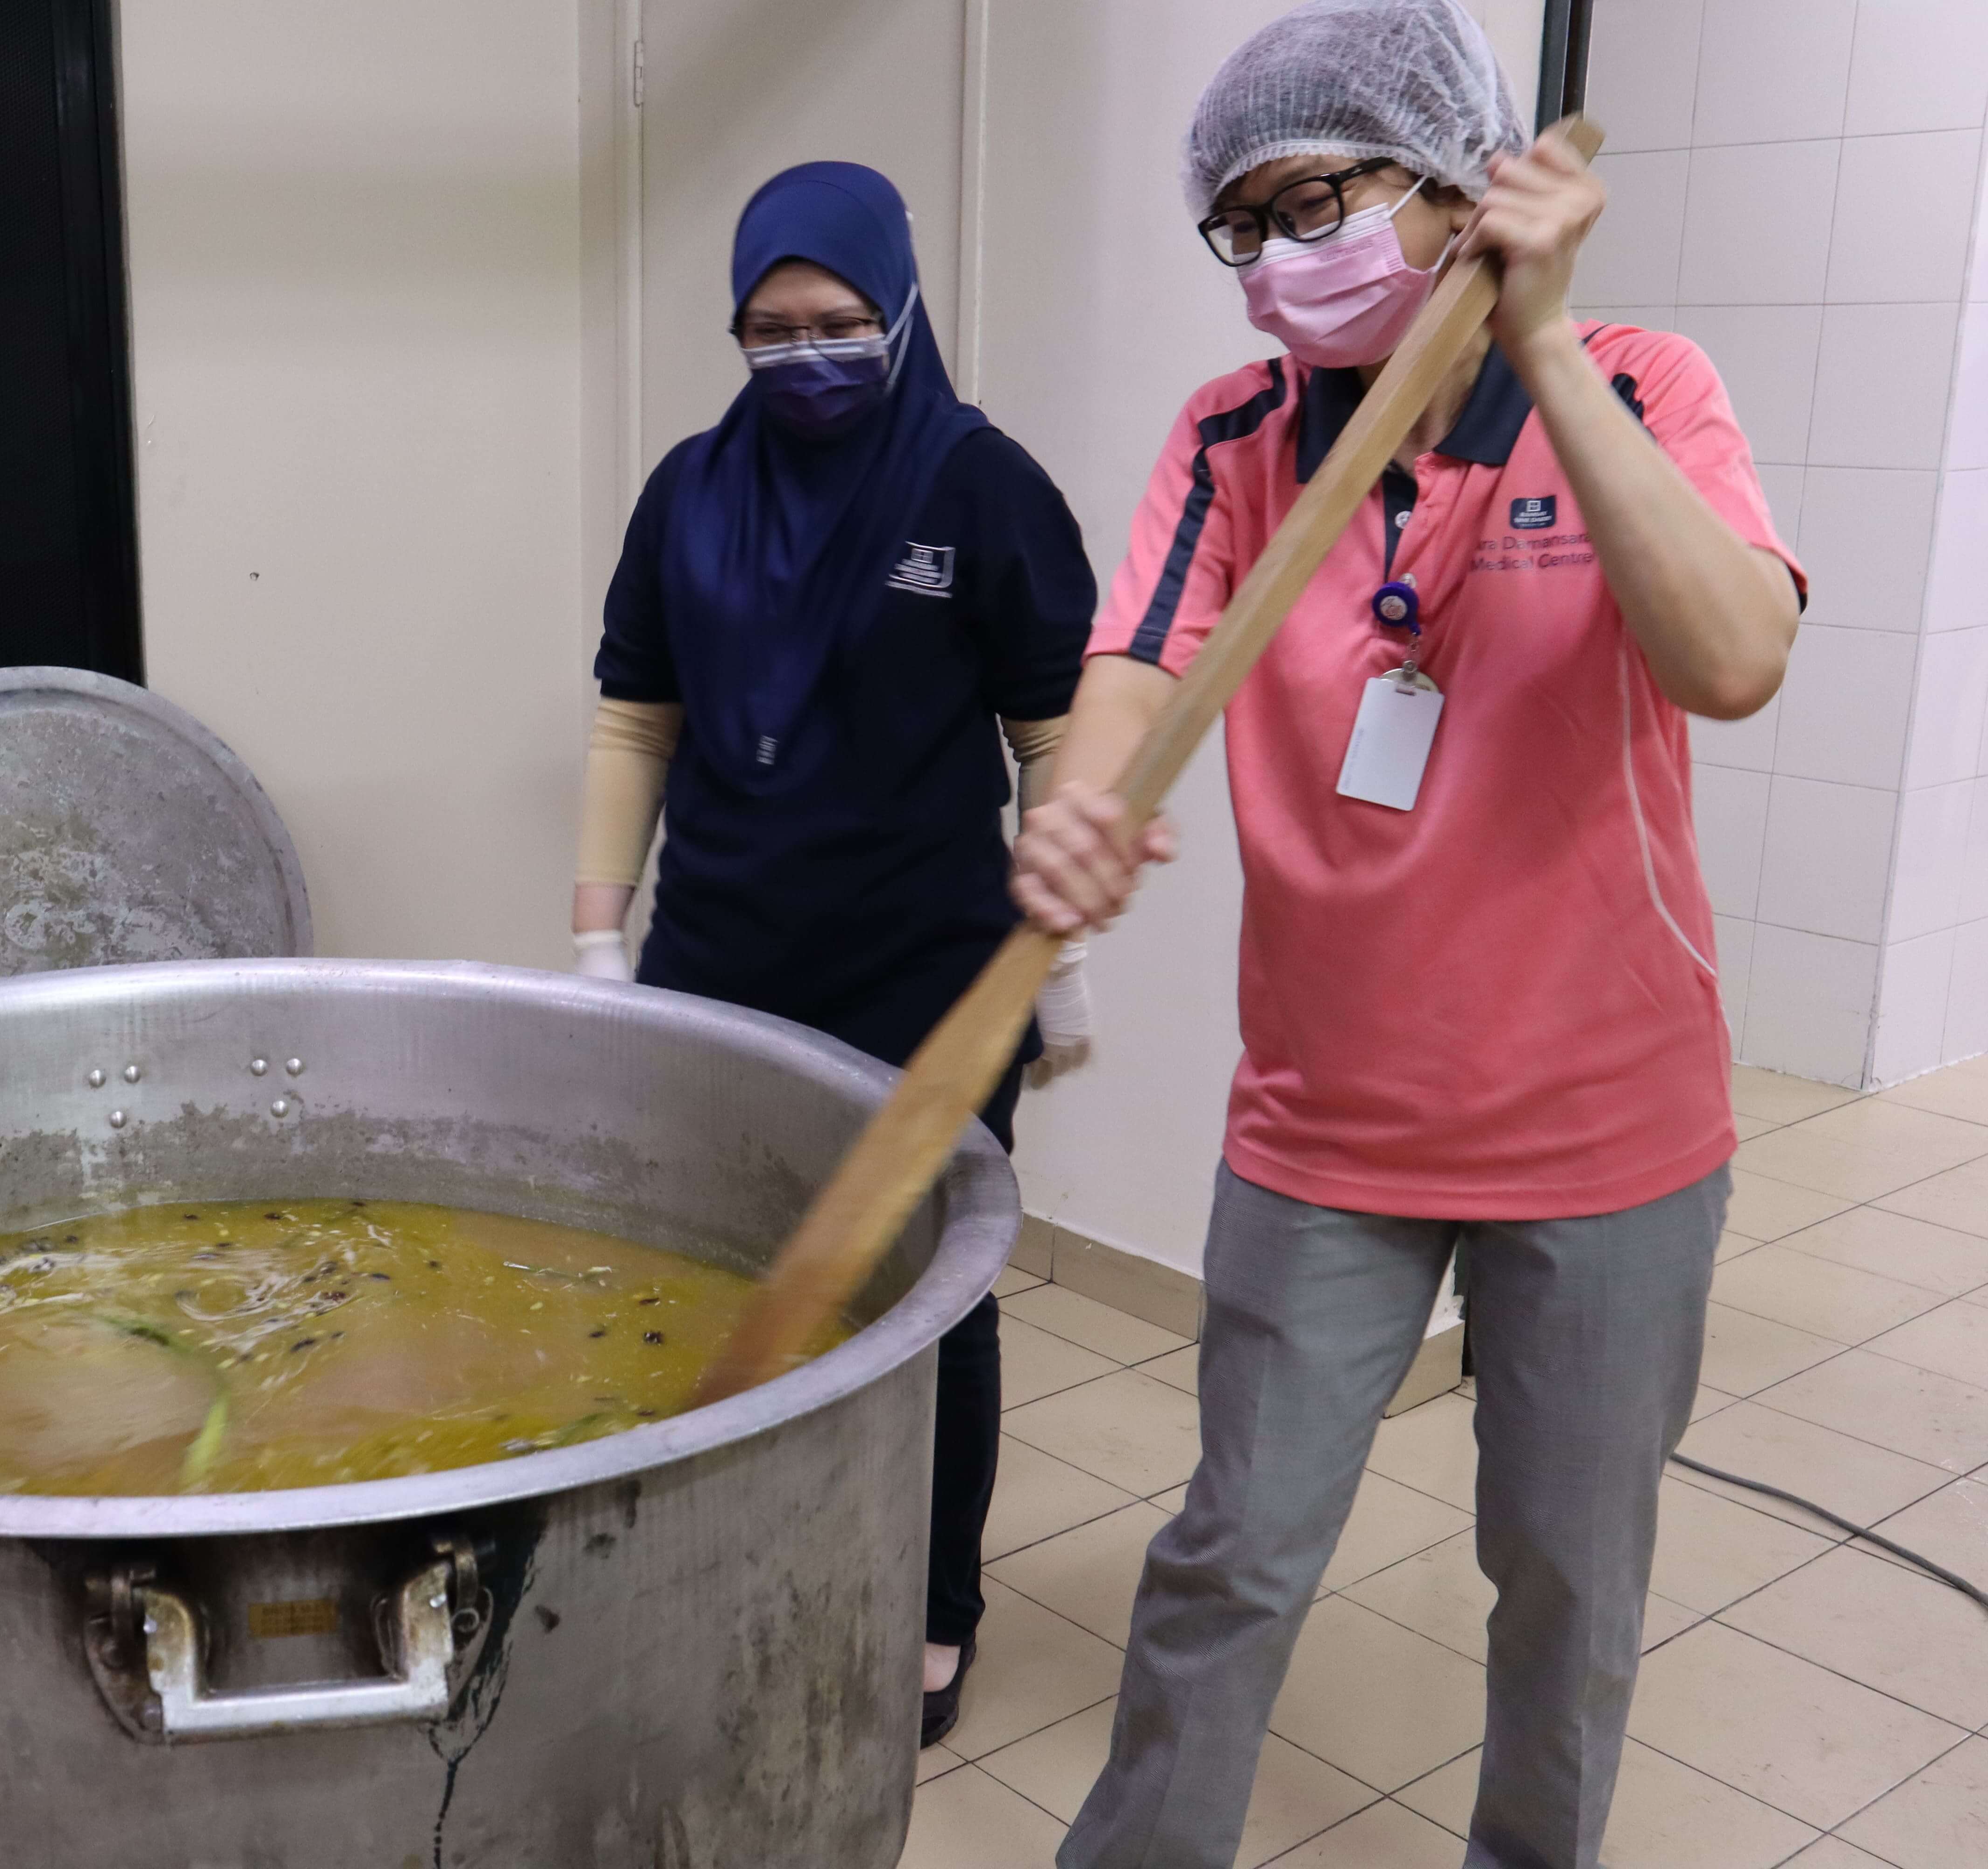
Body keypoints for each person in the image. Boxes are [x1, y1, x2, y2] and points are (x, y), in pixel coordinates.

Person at [1009, 3, 1801, 1863]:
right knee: (1232, 1556)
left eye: (1324, 201)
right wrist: (1085, 798)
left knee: (1567, 1588)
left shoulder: (1642, 382)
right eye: (1250, 224)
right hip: (1327, 1122)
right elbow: (1133, 664)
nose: (1288, 258)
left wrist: (1538, 345)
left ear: (1451, 184)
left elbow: (1737, 653)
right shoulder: (1234, 438)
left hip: (1606, 1134)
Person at [570, 160, 1099, 1748]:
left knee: (932, 1303)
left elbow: (1055, 731)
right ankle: (725, 1563)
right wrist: (599, 938)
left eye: (838, 322)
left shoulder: (981, 486)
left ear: (902, 308)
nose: (804, 354)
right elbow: (631, 716)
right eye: (769, 328)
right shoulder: (689, 489)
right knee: (713, 1271)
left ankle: (932, 1612)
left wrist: (1050, 946)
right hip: (719, 965)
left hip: (927, 976)